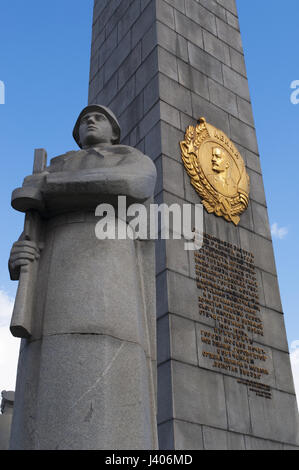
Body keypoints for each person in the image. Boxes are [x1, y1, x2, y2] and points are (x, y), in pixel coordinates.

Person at [9, 105, 158, 450]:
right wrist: (18, 256)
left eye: (99, 117)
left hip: (110, 266)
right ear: (75, 134)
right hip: (51, 279)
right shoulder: (56, 166)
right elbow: (32, 236)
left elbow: (133, 185)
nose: (90, 121)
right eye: (83, 120)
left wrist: (48, 188)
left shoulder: (129, 158)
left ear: (114, 132)